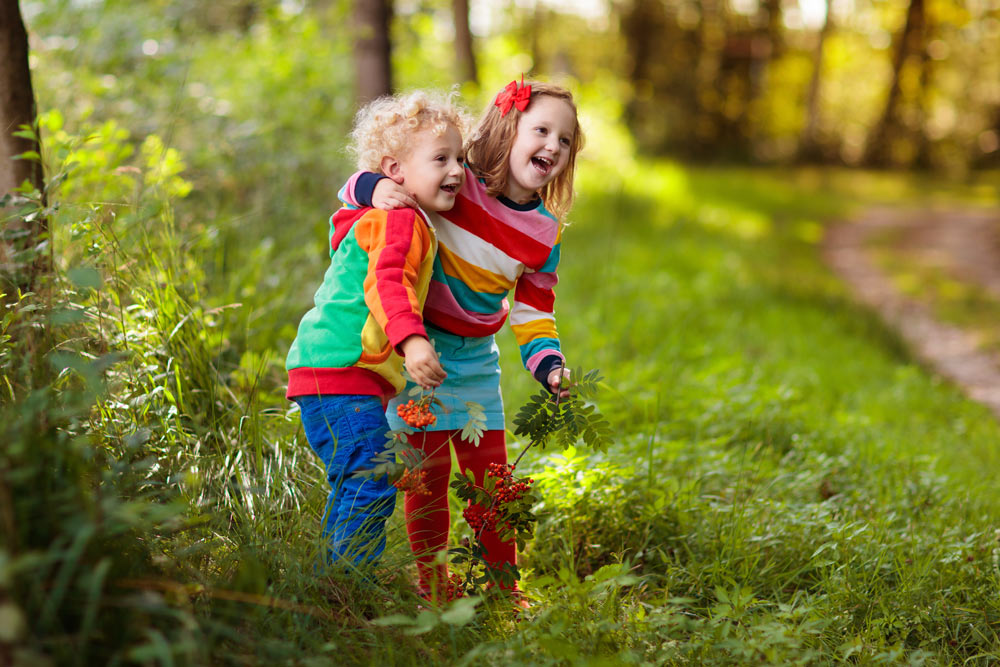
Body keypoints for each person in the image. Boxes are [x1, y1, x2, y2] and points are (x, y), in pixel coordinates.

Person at [338, 78, 584, 598]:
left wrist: (550, 363)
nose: (552, 146)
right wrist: (373, 188)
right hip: (417, 349)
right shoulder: (457, 180)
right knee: (423, 478)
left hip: (475, 363)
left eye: (565, 140)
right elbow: (365, 185)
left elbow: (534, 312)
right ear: (508, 129)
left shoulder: (545, 233)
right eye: (541, 130)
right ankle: (432, 581)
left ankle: (501, 587)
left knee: (491, 478)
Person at [286, 90, 468, 569]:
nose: (456, 171)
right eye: (441, 159)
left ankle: (334, 584)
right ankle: (345, 588)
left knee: (360, 480)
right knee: (369, 479)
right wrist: (412, 340)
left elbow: (343, 227)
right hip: (339, 372)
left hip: (331, 372)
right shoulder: (400, 219)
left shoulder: (382, 215)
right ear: (395, 170)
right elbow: (386, 282)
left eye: (460, 159)